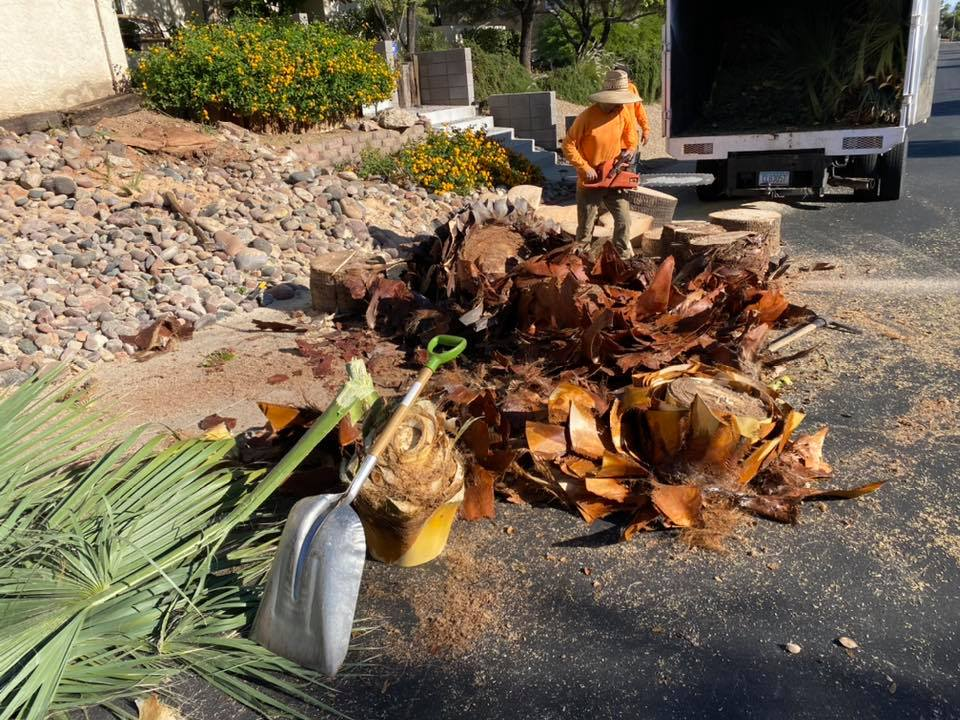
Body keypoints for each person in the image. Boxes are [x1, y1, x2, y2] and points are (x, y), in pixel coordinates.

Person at [562, 69, 640, 258]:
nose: (621, 104)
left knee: (624, 221)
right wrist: (585, 168)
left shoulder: (622, 112)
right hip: (591, 181)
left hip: (613, 179)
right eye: (618, 100)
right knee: (586, 228)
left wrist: (630, 150)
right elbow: (568, 144)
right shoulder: (587, 117)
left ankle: (623, 257)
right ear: (607, 98)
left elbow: (631, 138)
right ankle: (580, 261)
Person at [614, 63, 652, 152]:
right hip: (612, 141)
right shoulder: (607, 90)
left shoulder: (632, 88)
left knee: (630, 165)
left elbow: (640, 111)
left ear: (627, 79)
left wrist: (645, 129)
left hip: (629, 140)